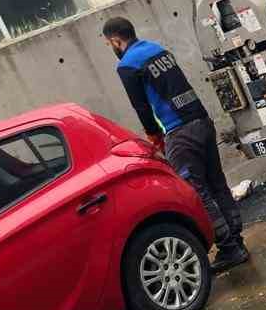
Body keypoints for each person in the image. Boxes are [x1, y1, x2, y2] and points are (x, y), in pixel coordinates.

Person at [102, 16, 249, 271]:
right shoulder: (157, 50)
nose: (112, 48)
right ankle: (237, 239)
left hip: (179, 131)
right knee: (217, 184)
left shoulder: (127, 65)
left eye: (110, 44)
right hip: (201, 120)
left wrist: (153, 137)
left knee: (197, 192)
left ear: (115, 40)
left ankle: (229, 248)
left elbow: (141, 107)